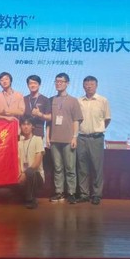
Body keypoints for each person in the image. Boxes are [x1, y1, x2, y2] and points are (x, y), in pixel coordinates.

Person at [47, 73, 82, 204]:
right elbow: (49, 121)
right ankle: (59, 192)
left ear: (67, 83)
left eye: (61, 81)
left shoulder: (73, 100)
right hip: (54, 139)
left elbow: (76, 120)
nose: (58, 84)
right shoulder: (51, 100)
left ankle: (71, 193)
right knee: (57, 168)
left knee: (70, 168)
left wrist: (75, 137)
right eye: (56, 81)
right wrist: (47, 137)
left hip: (68, 139)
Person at [76, 76, 111, 206]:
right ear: (83, 86)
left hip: (96, 138)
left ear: (96, 86)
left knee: (97, 168)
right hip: (81, 138)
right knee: (82, 168)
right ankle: (84, 194)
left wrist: (98, 129)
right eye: (86, 84)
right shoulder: (78, 101)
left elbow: (107, 119)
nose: (89, 86)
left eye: (91, 84)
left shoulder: (103, 100)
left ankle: (96, 195)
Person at [18, 117, 45, 209]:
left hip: (36, 176)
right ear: (20, 127)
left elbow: (37, 163)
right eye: (23, 124)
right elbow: (18, 161)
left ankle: (31, 199)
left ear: (32, 126)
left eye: (28, 124)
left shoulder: (38, 139)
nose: (26, 127)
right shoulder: (19, 143)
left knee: (30, 172)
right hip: (22, 176)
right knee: (3, 192)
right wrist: (20, 174)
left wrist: (24, 174)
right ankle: (23, 196)